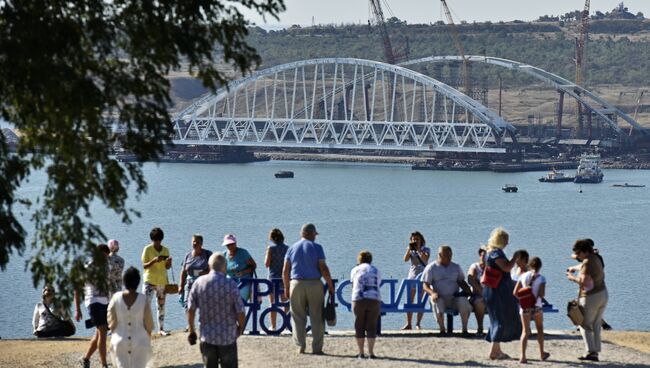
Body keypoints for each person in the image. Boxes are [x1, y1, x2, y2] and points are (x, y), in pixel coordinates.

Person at [282, 223, 335, 355]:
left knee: (297, 316)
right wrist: (329, 284)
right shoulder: (317, 247)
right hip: (314, 284)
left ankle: (300, 345)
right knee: (317, 317)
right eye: (315, 235)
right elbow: (323, 268)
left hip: (296, 284)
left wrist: (286, 287)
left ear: (302, 234)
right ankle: (317, 348)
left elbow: (285, 270)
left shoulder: (292, 248)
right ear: (312, 234)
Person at [187, 253, 245, 368]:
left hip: (207, 336)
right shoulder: (231, 284)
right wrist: (240, 328)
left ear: (209, 266)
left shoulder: (198, 283)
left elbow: (190, 309)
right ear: (225, 267)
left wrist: (191, 330)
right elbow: (241, 311)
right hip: (228, 337)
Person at [483, 227, 522, 360]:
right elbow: (506, 268)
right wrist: (515, 257)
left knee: (498, 319)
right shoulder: (495, 253)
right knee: (499, 320)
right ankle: (494, 352)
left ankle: (497, 350)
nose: (507, 243)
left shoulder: (493, 252)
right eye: (506, 240)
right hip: (496, 291)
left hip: (497, 290)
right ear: (500, 240)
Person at [566, 239, 608, 362]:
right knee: (596, 324)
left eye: (579, 254)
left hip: (590, 297)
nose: (577, 256)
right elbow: (583, 264)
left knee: (584, 324)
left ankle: (590, 351)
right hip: (603, 294)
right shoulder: (596, 257)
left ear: (584, 251)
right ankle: (596, 351)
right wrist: (575, 267)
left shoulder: (587, 263)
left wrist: (572, 277)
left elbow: (583, 281)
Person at [421, 245, 472, 336]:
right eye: (446, 255)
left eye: (450, 255)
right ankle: (442, 330)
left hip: (454, 297)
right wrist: (432, 293)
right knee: (436, 302)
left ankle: (464, 330)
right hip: (439, 297)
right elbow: (425, 285)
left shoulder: (456, 267)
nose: (449, 257)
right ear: (440, 255)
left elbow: (461, 281)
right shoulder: (431, 267)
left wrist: (468, 290)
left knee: (464, 302)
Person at [108, 267, 153, 368]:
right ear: (138, 282)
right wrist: (148, 339)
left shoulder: (115, 297)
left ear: (124, 281)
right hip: (140, 341)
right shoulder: (143, 299)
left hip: (120, 341)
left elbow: (111, 323)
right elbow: (148, 325)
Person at [75, 244, 111, 368]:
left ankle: (85, 359)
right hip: (92, 301)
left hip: (105, 301)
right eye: (104, 257)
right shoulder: (88, 267)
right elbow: (77, 288)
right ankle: (104, 365)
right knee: (102, 331)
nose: (106, 259)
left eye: (107, 257)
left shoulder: (106, 266)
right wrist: (78, 309)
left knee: (100, 333)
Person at [513, 257, 550, 364]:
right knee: (539, 329)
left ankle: (523, 356)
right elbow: (542, 294)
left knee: (525, 331)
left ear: (529, 265)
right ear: (540, 266)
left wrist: (523, 301)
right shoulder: (541, 278)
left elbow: (515, 292)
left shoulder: (522, 276)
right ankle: (542, 353)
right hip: (537, 306)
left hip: (525, 307)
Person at [141, 227, 173, 336]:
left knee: (161, 306)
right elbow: (144, 265)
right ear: (152, 239)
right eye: (155, 240)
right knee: (145, 305)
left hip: (161, 281)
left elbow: (167, 267)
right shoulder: (147, 249)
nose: (157, 242)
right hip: (149, 281)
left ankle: (161, 329)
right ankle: (144, 329)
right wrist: (154, 260)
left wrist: (169, 262)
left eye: (159, 240)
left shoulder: (165, 250)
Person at [350, 250, 382, 359]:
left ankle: (361, 353)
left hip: (358, 299)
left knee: (359, 325)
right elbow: (378, 283)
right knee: (371, 326)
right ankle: (371, 353)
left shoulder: (355, 270)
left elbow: (353, 284)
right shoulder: (375, 269)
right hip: (374, 298)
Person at [401, 231, 430, 330]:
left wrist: (418, 249)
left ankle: (418, 323)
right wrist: (409, 250)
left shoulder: (426, 249)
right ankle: (408, 323)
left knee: (420, 301)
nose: (415, 241)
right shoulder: (410, 250)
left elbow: (425, 259)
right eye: (413, 239)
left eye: (417, 239)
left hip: (422, 276)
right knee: (410, 300)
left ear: (421, 240)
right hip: (412, 276)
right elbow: (405, 259)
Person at [179, 235, 212, 312]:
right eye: (193, 241)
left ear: (201, 243)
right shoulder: (188, 255)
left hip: (204, 284)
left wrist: (202, 273)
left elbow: (213, 270)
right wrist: (180, 285)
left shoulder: (208, 254)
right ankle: (190, 324)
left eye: (197, 242)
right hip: (190, 284)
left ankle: (203, 323)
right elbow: (183, 271)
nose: (195, 243)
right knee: (188, 306)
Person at [264, 228, 289, 330]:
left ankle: (273, 326)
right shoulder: (288, 248)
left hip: (273, 278)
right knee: (285, 302)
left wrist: (267, 254)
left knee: (273, 303)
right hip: (284, 278)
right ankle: (286, 324)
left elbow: (267, 264)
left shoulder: (271, 249)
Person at [222, 234, 257, 301]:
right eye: (228, 244)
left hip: (244, 282)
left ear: (235, 243)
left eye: (232, 244)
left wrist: (243, 272)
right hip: (230, 282)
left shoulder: (243, 253)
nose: (230, 246)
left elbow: (253, 265)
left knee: (240, 301)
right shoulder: (224, 254)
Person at [467, 247, 487, 336]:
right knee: (479, 303)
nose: (485, 257)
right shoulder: (475, 266)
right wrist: (481, 291)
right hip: (476, 296)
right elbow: (470, 279)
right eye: (483, 255)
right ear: (480, 255)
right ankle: (480, 327)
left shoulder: (492, 268)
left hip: (490, 296)